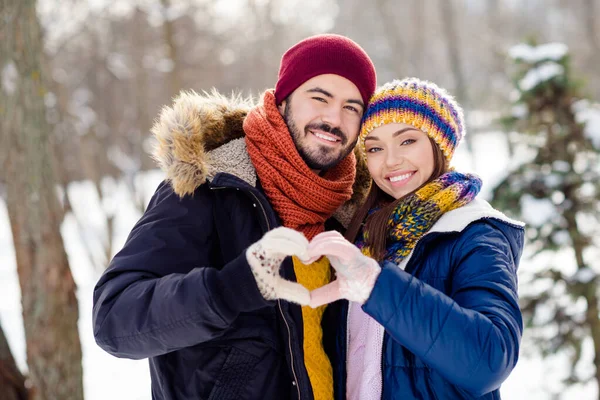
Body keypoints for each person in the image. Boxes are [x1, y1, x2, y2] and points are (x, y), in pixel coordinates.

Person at [92, 34, 376, 400]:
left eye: (352, 107)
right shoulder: (209, 189)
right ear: (283, 100)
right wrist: (229, 290)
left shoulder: (350, 212)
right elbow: (113, 320)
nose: (334, 119)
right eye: (319, 98)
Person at [306, 78, 525, 399]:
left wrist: (377, 286)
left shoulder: (475, 233)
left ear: (440, 145)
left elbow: (490, 360)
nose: (390, 160)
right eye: (375, 148)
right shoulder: (365, 236)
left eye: (407, 141)